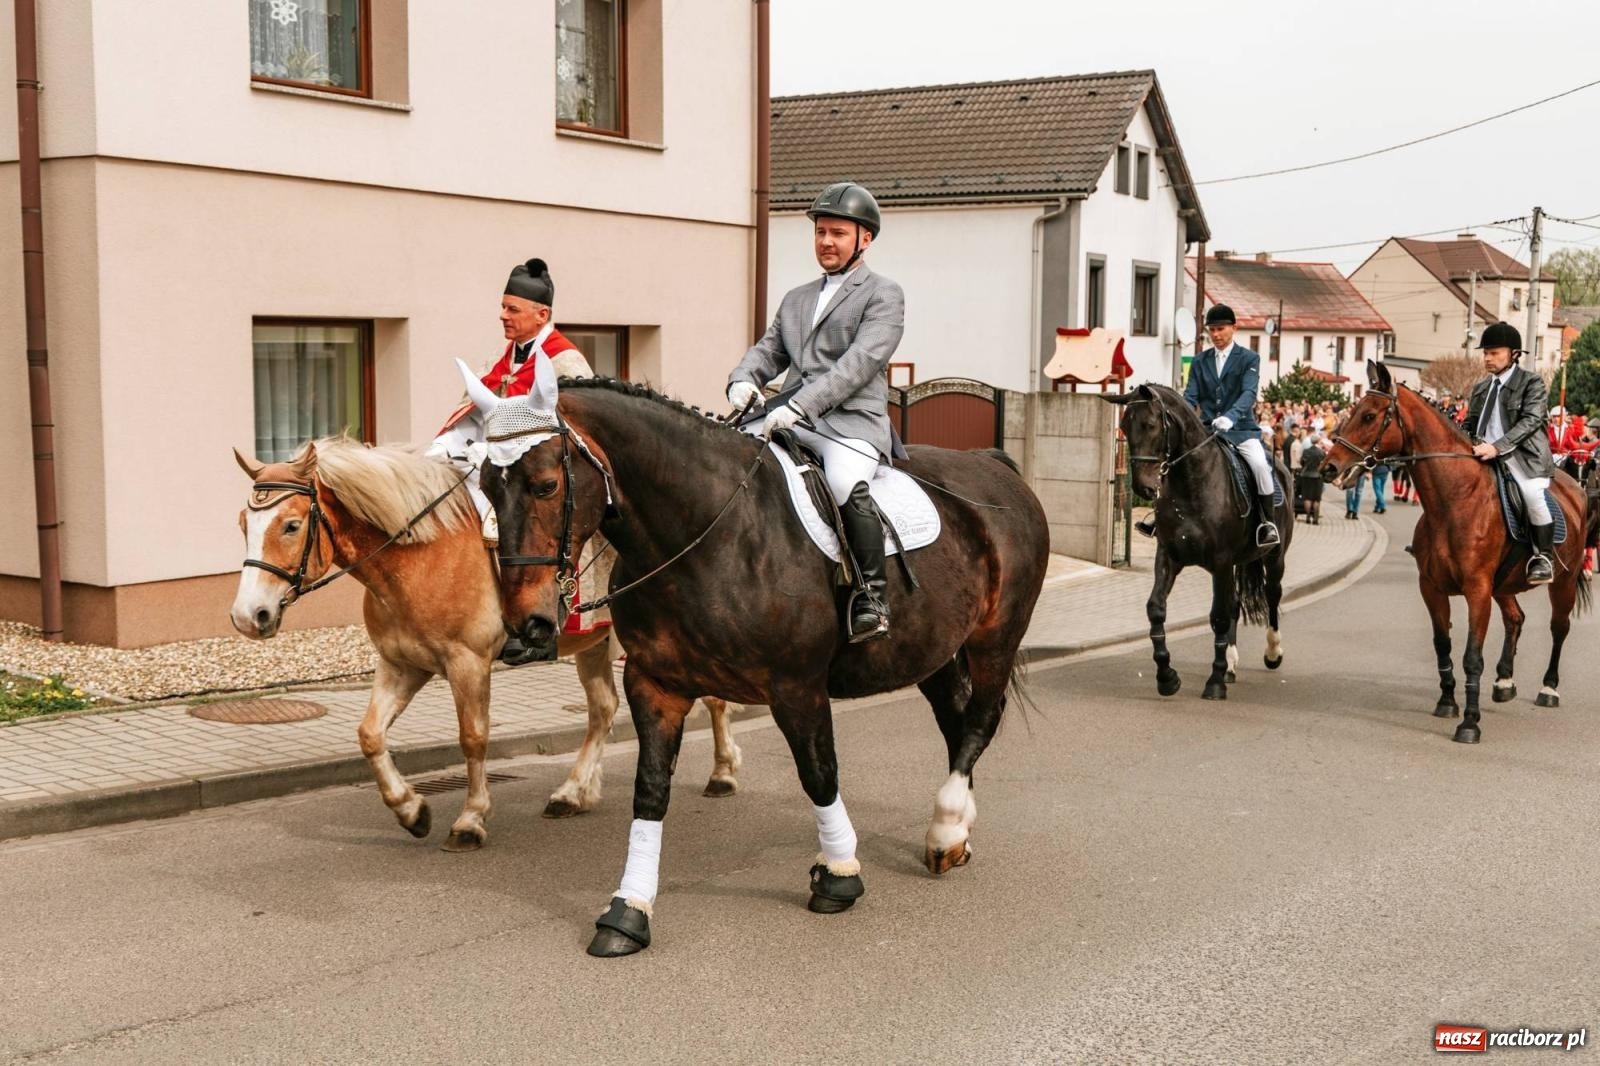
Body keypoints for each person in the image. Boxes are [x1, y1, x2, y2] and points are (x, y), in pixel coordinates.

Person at [727, 182, 905, 642]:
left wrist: (801, 405)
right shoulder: (797, 298)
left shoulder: (883, 294)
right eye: (821, 232)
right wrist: (743, 380)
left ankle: (871, 596)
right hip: (788, 416)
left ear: (864, 238)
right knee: (725, 461)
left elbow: (859, 364)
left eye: (838, 233)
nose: (826, 241)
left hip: (850, 422)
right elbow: (769, 350)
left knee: (844, 482)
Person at [428, 258, 586, 546]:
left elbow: (578, 432)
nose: (502, 315)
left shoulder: (566, 362)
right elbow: (473, 414)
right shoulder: (498, 360)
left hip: (542, 483)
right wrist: (444, 445)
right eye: (503, 307)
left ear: (541, 315)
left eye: (512, 309)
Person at [1180, 303, 1281, 546]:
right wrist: (1182, 416)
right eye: (1212, 330)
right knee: (1177, 461)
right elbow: (1190, 396)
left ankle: (1267, 523)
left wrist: (1231, 416)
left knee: (1259, 465)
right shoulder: (1200, 361)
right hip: (1207, 431)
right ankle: (1163, 519)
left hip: (1241, 430)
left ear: (1234, 328)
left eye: (1221, 329)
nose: (1216, 335)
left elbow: (1249, 393)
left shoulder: (1248, 358)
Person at [1465, 321, 1556, 583]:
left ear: (1514, 354)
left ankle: (1544, 556)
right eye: (1485, 353)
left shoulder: (1532, 383)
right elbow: (1470, 423)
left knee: (1532, 494)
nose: (1487, 358)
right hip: (1482, 453)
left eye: (1494, 353)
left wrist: (1497, 447)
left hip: (1523, 458)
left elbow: (1531, 421)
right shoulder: (1481, 388)